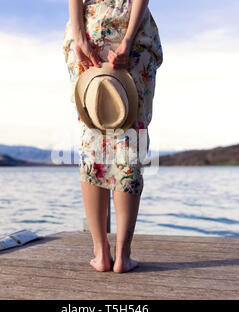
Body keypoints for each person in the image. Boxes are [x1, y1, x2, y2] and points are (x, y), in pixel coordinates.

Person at [62, 0, 163, 273]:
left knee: (93, 138)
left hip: (90, 27)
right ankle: (123, 255)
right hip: (131, 31)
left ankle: (100, 251)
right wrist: (128, 40)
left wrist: (80, 37)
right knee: (131, 140)